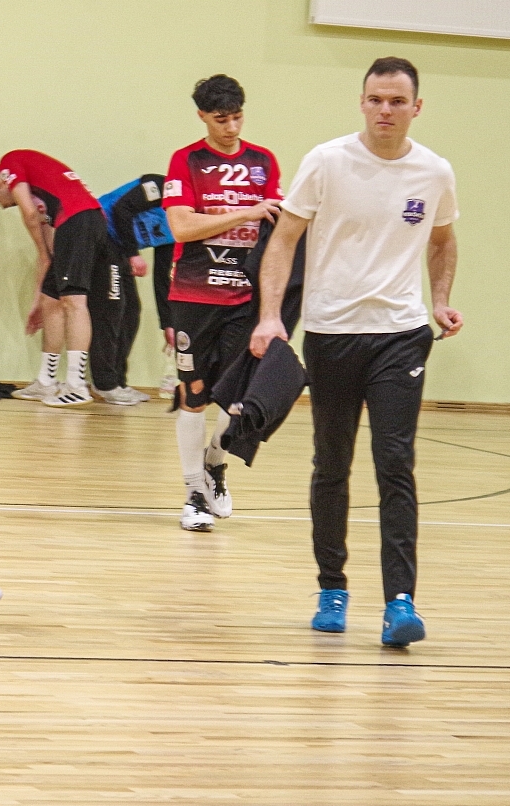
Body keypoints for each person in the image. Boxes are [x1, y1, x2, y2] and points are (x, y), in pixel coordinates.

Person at [251, 57, 462, 648]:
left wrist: (440, 301)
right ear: (362, 102)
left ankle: (401, 603)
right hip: (331, 334)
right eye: (375, 99)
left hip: (401, 333)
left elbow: (443, 240)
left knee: (395, 463)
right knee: (332, 465)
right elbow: (284, 239)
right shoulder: (327, 161)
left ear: (416, 107)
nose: (385, 110)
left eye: (396, 101)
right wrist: (271, 315)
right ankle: (332, 588)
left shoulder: (434, 172)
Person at [163, 75, 282, 531]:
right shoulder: (187, 160)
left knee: (237, 397)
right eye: (220, 119)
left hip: (246, 298)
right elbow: (181, 226)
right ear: (202, 116)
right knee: (193, 394)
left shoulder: (263, 161)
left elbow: (277, 226)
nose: (231, 127)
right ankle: (193, 493)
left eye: (237, 117)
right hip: (195, 294)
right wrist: (245, 212)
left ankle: (215, 461)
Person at [0, 150, 109, 407]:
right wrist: (37, 300)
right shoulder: (46, 196)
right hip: (80, 223)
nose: (5, 206)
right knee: (51, 301)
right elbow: (48, 257)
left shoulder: (10, 162)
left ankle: (76, 385)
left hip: (80, 221)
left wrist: (41, 250)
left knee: (74, 302)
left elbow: (29, 216)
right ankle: (46, 381)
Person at [89, 174, 173, 405]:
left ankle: (117, 382)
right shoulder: (160, 186)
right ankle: (105, 383)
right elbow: (121, 209)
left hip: (120, 250)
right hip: (100, 232)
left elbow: (162, 276)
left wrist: (167, 324)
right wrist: (134, 255)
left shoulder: (181, 227)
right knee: (111, 308)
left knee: (131, 311)